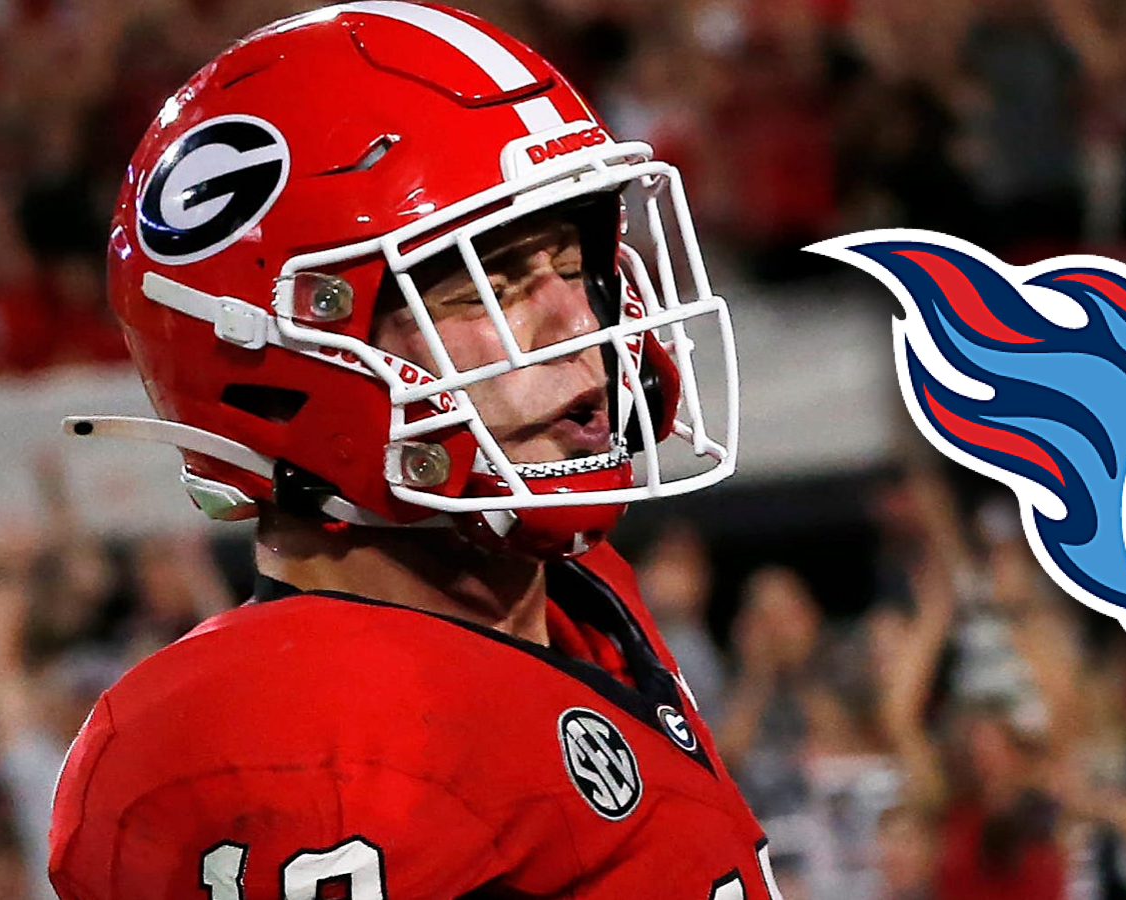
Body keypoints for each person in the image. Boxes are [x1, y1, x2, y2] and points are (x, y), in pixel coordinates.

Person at [48, 4, 772, 900]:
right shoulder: (281, 737)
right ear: (285, 354)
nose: (584, 323)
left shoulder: (575, 593)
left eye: (573, 259)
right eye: (489, 285)